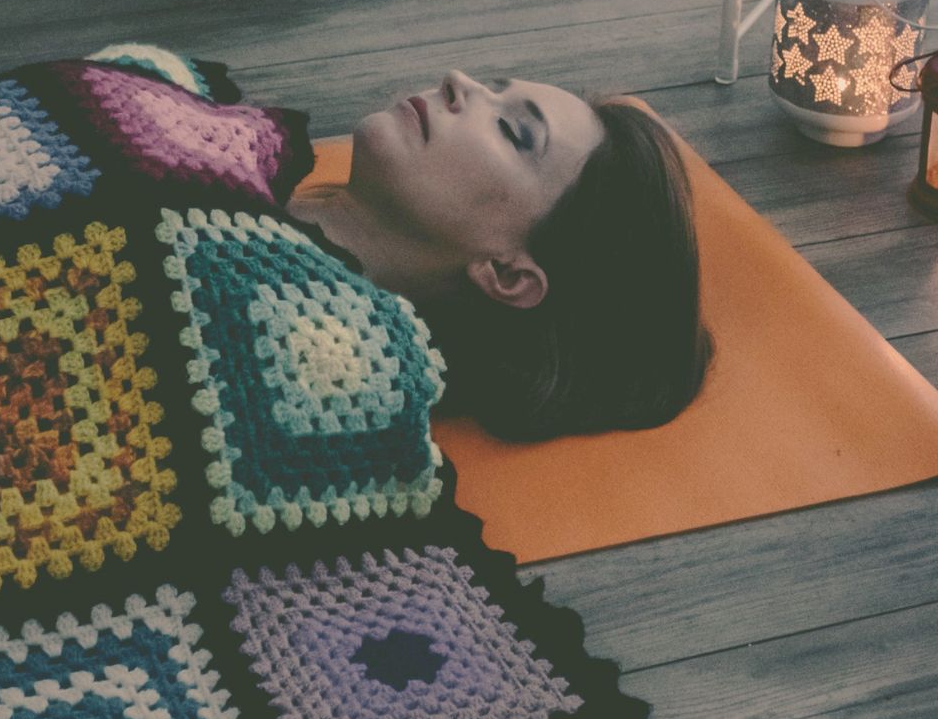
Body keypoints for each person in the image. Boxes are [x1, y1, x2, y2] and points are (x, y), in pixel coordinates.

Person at [286, 69, 714, 443]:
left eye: (511, 130)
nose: (456, 80)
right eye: (491, 87)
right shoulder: (258, 153)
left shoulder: (298, 365)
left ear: (507, 274)